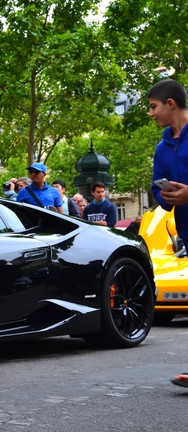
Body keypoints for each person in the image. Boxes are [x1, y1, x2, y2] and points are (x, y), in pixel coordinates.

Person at [146, 79, 188, 388]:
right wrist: (167, 196)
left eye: (153, 106)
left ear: (170, 104)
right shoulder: (162, 147)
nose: (151, 113)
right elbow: (155, 188)